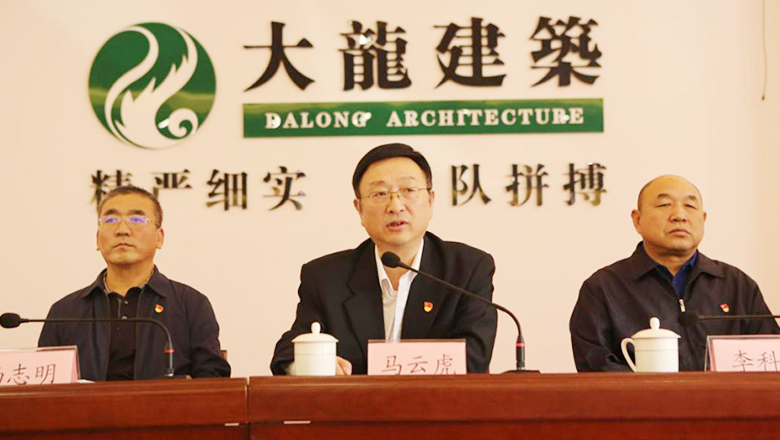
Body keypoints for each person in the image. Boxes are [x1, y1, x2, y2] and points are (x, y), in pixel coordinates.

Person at [271, 143, 497, 375]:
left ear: (430, 200)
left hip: (440, 399)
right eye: (380, 194)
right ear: (359, 209)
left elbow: (473, 359)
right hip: (353, 400)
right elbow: (288, 352)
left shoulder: (467, 269)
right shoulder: (325, 278)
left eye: (408, 190)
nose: (395, 206)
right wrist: (312, 364)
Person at [570, 175, 780, 371]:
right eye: (664, 205)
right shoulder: (603, 289)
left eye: (690, 206)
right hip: (643, 400)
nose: (679, 216)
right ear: (637, 220)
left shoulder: (737, 285)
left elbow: (770, 361)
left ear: (703, 219)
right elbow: (596, 369)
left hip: (729, 399)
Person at [38, 186, 230, 380]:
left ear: (159, 238)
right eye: (111, 220)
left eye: (137, 220)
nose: (122, 230)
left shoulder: (191, 305)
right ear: (97, 239)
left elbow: (213, 381)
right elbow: (46, 384)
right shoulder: (65, 312)